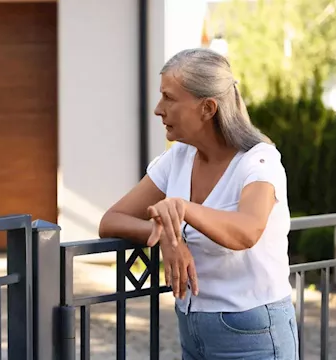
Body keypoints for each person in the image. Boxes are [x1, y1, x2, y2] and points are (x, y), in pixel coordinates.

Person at [99, 48, 299, 360]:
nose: (157, 109)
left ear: (207, 108)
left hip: (253, 335)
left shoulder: (259, 161)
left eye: (169, 98)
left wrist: (182, 209)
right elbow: (111, 220)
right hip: (193, 331)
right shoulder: (178, 158)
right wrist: (166, 233)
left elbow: (246, 231)